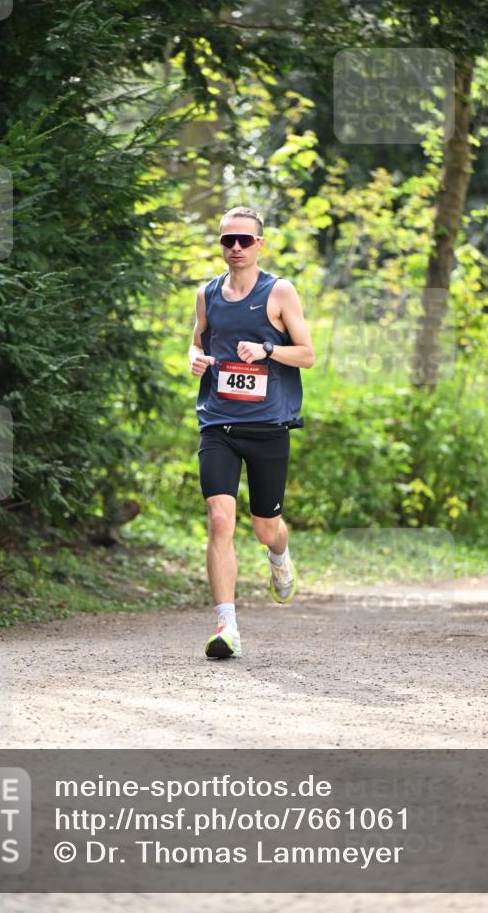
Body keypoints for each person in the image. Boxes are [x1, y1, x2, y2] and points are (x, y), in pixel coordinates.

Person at [189, 206, 315, 659]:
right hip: (218, 421)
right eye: (228, 241)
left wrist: (267, 350)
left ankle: (279, 555)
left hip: (267, 425)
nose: (236, 248)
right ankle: (227, 626)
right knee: (221, 519)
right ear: (221, 244)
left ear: (260, 243)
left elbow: (306, 355)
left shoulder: (279, 291)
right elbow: (197, 339)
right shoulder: (207, 294)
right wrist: (195, 358)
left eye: (244, 240)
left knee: (265, 529)